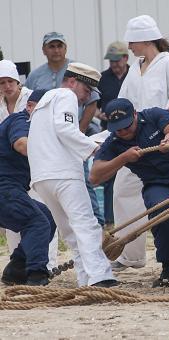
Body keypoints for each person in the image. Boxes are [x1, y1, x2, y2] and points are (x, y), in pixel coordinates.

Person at [90, 98, 169, 286]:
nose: (123, 132)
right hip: (157, 182)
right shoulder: (113, 142)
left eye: (126, 126)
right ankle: (167, 268)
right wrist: (123, 158)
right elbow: (95, 176)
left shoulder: (155, 115)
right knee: (159, 209)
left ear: (135, 115)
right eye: (118, 129)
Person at [27, 62, 117, 288]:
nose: (86, 99)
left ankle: (85, 278)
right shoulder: (66, 96)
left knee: (71, 233)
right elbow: (65, 129)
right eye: (86, 91)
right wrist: (94, 148)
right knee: (86, 225)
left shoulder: (44, 103)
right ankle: (100, 276)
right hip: (63, 174)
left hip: (42, 178)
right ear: (72, 81)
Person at [111, 15, 169, 272]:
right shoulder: (134, 68)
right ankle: (130, 254)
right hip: (134, 141)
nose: (129, 47)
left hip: (161, 141)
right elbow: (123, 101)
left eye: (133, 41)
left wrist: (167, 133)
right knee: (123, 191)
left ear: (146, 39)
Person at [25, 31, 104, 226]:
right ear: (44, 50)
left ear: (65, 48)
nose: (56, 50)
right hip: (58, 149)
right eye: (51, 46)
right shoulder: (45, 81)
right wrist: (89, 146)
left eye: (59, 45)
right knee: (83, 217)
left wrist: (81, 133)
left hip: (66, 143)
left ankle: (97, 226)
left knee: (81, 186)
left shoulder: (75, 72)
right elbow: (61, 126)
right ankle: (94, 242)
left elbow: (91, 104)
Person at [0, 59, 58, 270]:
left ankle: (36, 264)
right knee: (33, 221)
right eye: (2, 82)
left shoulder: (34, 99)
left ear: (18, 82)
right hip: (12, 176)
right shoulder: (21, 118)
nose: (6, 86)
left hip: (30, 172)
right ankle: (31, 268)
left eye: (10, 81)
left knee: (43, 217)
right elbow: (21, 144)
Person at [96, 41, 130, 228]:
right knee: (109, 176)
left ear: (126, 58)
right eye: (111, 61)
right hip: (109, 130)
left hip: (131, 130)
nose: (114, 64)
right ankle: (110, 219)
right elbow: (94, 105)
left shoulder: (134, 74)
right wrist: (100, 114)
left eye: (117, 60)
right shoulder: (103, 78)